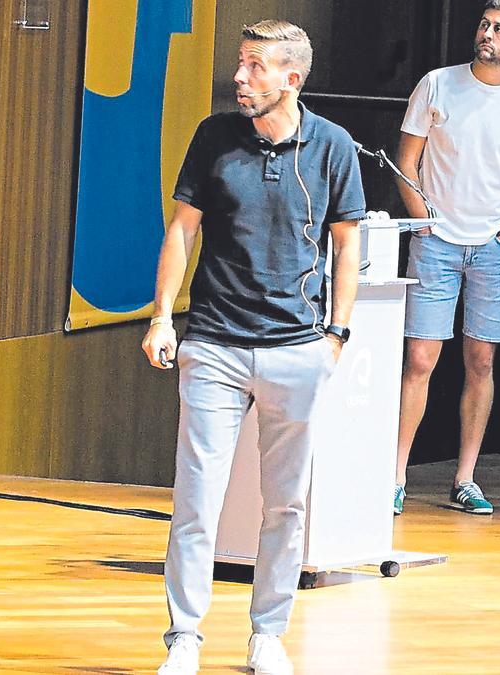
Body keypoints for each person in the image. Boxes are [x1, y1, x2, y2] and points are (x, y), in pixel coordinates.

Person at [141, 20, 365, 674]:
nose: (239, 78)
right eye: (240, 65)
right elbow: (183, 230)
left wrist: (336, 334)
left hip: (297, 350)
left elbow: (348, 242)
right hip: (212, 344)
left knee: (286, 503)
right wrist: (162, 317)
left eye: (255, 67)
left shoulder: (333, 148)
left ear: (291, 78)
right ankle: (184, 636)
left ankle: (268, 633)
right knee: (195, 500)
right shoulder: (214, 137)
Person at [392, 0, 500, 516]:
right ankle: (394, 475)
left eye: (499, 28)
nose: (487, 33)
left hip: (495, 248)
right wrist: (423, 221)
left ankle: (465, 477)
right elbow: (406, 161)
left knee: (480, 360)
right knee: (420, 358)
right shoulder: (437, 83)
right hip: (436, 242)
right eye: (484, 24)